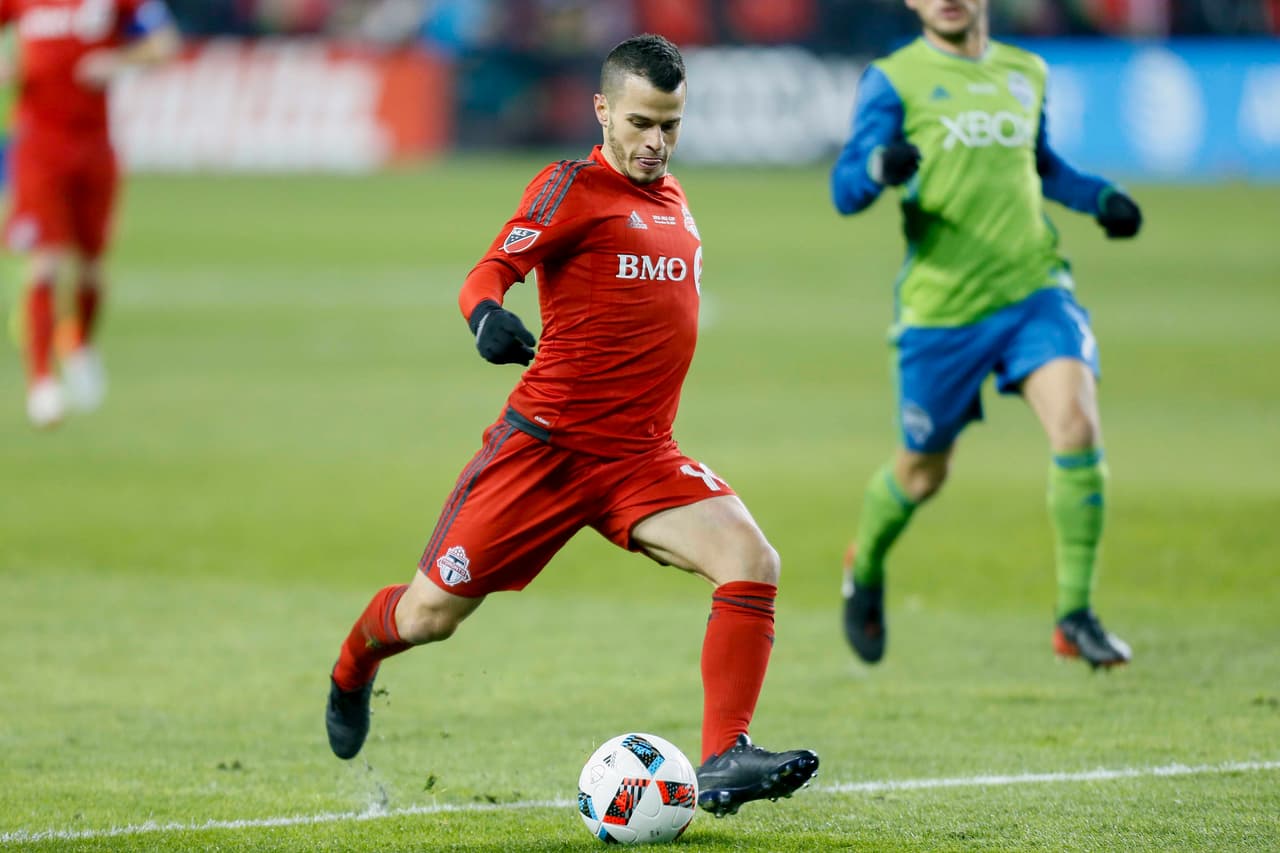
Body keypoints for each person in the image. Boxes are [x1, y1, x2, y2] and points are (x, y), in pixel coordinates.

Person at [325, 34, 819, 817]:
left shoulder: (676, 201)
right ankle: (353, 665)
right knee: (428, 617)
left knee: (752, 558)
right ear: (601, 111)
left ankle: (724, 754)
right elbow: (491, 270)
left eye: (671, 125)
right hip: (543, 454)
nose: (656, 142)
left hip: (639, 458)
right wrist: (487, 318)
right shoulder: (571, 187)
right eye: (640, 122)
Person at [830, 0, 1141, 670]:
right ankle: (867, 564)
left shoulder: (1025, 70)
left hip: (1033, 288)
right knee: (921, 473)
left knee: (1076, 426)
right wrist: (878, 171)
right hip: (943, 310)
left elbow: (1043, 165)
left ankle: (1074, 614)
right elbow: (845, 188)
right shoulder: (894, 79)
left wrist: (1099, 197)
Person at [0, 0, 180, 428]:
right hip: (38, 147)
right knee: (46, 263)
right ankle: (42, 383)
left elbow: (165, 44)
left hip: (95, 148)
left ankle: (78, 343)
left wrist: (117, 61)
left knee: (91, 270)